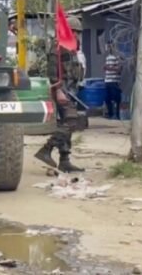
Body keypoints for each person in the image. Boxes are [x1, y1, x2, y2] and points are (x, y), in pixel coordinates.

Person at [34, 16, 85, 173]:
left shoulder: (71, 47)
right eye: (74, 31)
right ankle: (46, 149)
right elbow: (52, 70)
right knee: (71, 120)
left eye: (78, 32)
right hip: (61, 89)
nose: (76, 35)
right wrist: (58, 89)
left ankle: (64, 160)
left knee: (66, 124)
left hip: (70, 89)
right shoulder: (58, 46)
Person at [104, 43, 122, 119]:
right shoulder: (107, 57)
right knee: (107, 99)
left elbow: (119, 70)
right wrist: (107, 68)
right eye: (109, 47)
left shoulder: (117, 57)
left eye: (111, 47)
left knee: (116, 99)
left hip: (114, 81)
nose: (109, 48)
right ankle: (110, 114)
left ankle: (117, 115)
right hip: (107, 81)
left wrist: (109, 68)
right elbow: (105, 68)